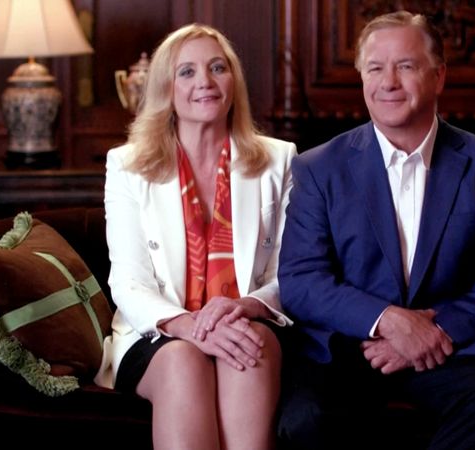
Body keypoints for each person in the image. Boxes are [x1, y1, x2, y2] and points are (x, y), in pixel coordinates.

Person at [276, 10, 475, 450]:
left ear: (439, 76)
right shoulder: (318, 168)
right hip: (347, 349)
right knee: (302, 420)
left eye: (406, 66)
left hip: (451, 348)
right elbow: (302, 281)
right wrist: (389, 323)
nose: (388, 82)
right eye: (375, 68)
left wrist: (434, 332)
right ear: (362, 78)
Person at [94, 23, 296, 450]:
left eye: (217, 67)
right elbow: (128, 282)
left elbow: (292, 273)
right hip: (159, 333)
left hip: (246, 322)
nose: (204, 82)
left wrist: (244, 306)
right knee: (184, 360)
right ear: (166, 88)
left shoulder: (279, 159)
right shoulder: (127, 166)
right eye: (186, 72)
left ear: (233, 81)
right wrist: (191, 327)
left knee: (247, 344)